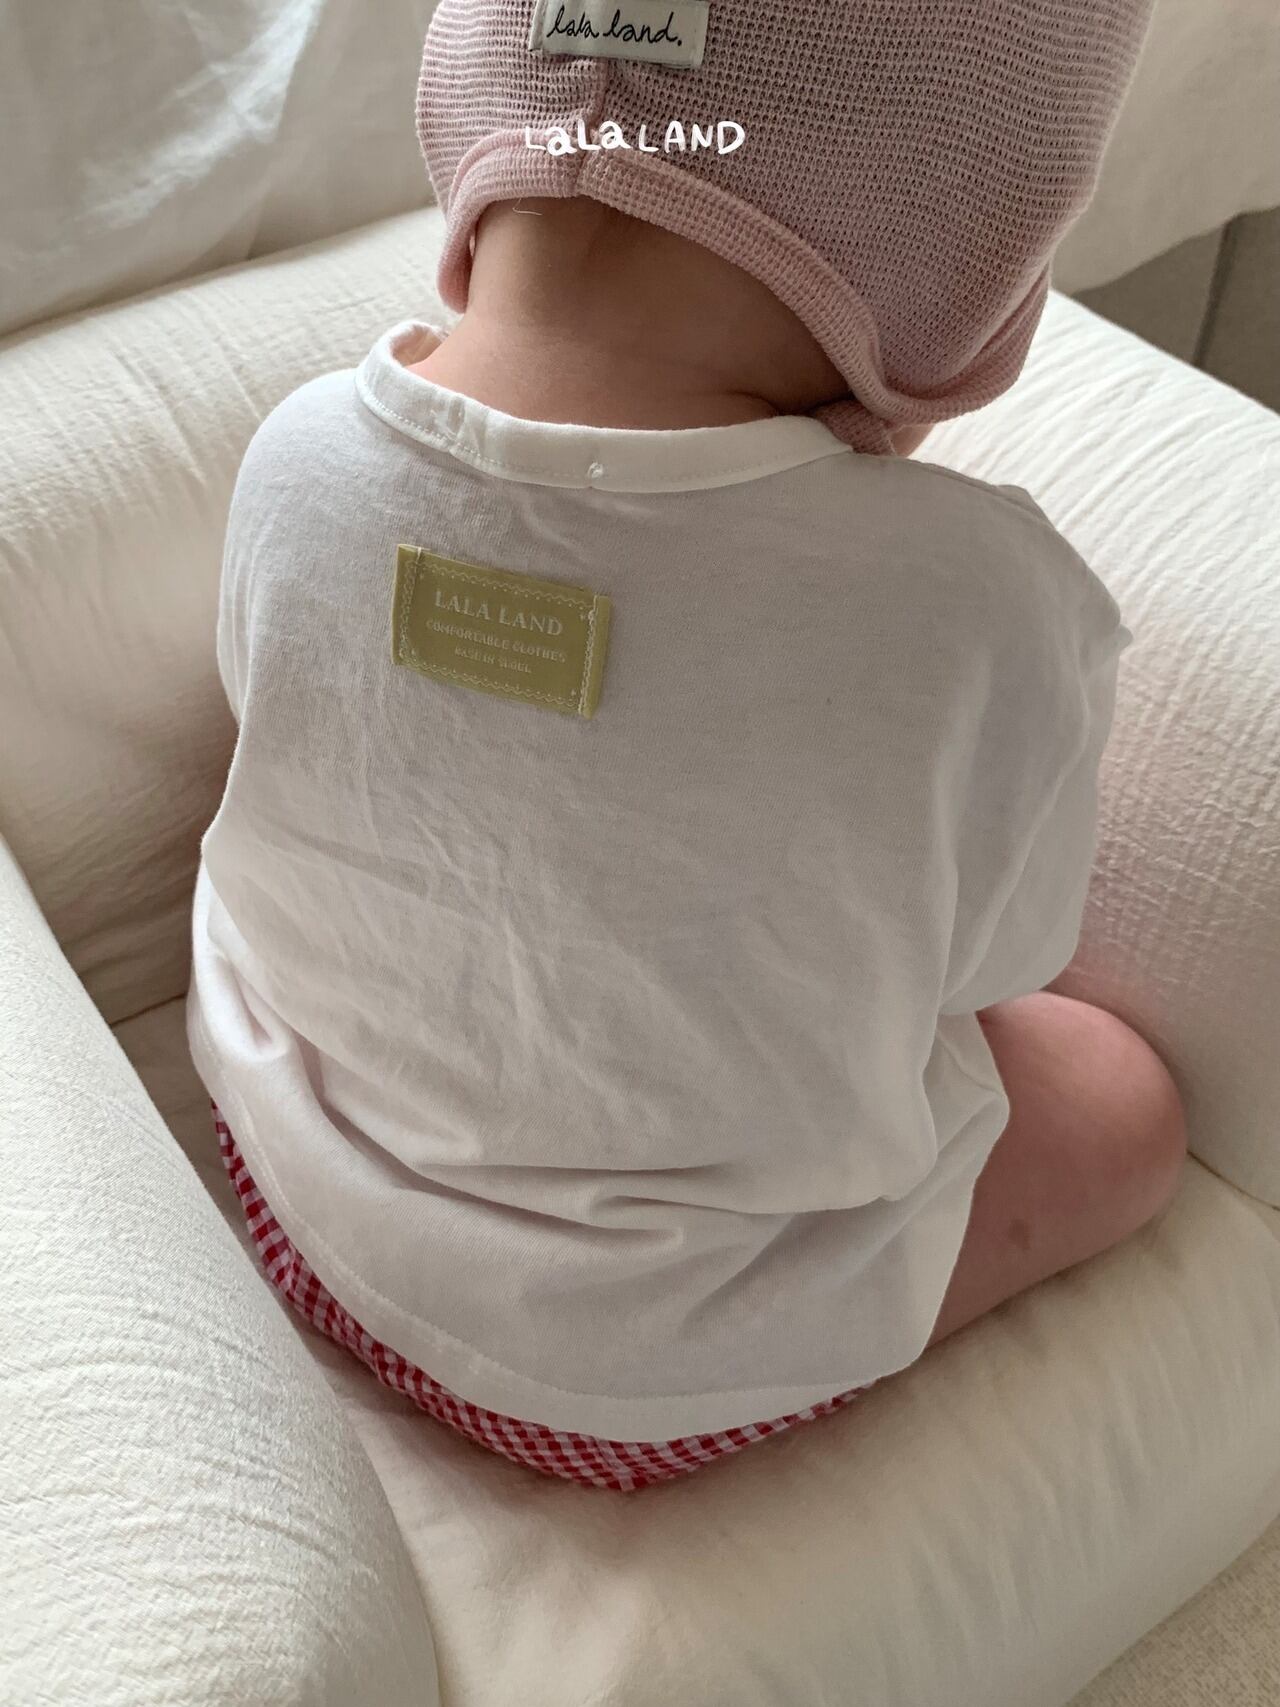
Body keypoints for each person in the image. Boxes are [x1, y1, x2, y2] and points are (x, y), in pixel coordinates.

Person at [189, 0, 1186, 1492]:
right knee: (1125, 1102)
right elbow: (996, 964)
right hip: (627, 1375)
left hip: (291, 1182)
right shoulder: (972, 602)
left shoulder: (298, 451)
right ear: (966, 273)